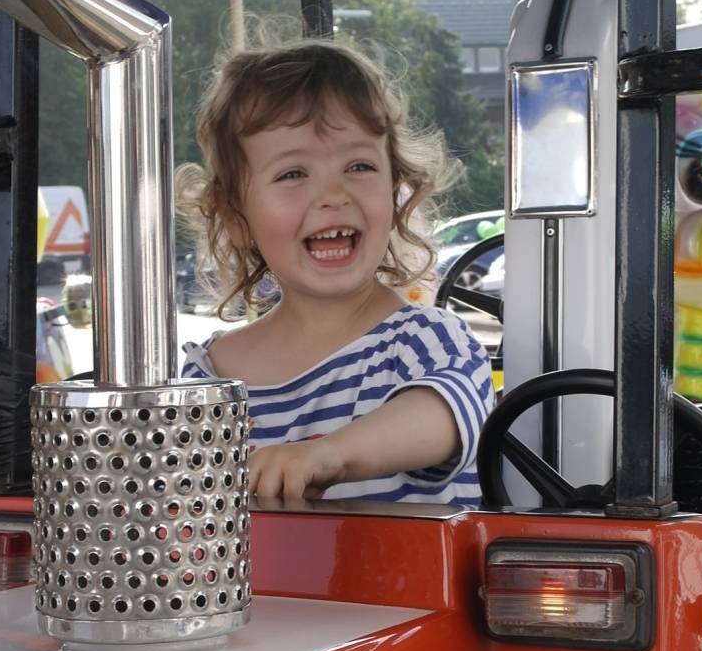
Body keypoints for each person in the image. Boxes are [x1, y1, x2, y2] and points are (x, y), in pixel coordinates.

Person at [177, 39, 495, 504]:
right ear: (235, 219)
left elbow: (444, 414)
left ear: (396, 191)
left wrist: (330, 455)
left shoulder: (424, 340)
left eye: (359, 166)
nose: (333, 194)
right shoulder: (209, 377)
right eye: (292, 174)